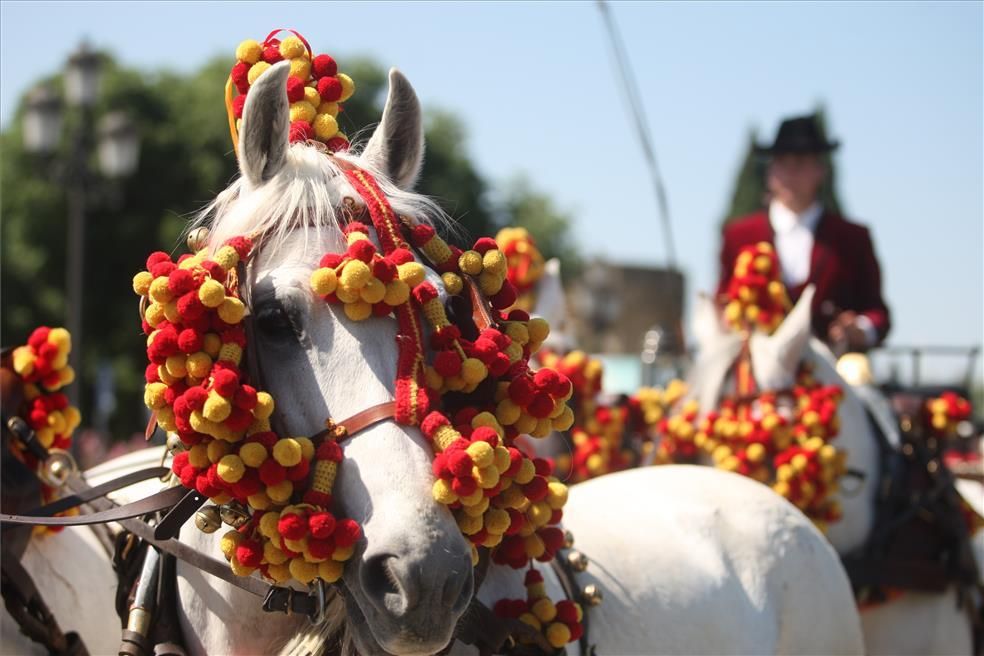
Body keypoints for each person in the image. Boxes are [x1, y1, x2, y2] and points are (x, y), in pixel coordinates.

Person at [717, 115, 891, 353]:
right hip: (756, 370)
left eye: (799, 163)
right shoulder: (740, 235)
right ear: (770, 172)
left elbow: (877, 311)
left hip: (831, 371)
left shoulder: (852, 238)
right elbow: (723, 300)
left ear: (820, 170)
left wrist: (859, 328)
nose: (790, 174)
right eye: (781, 163)